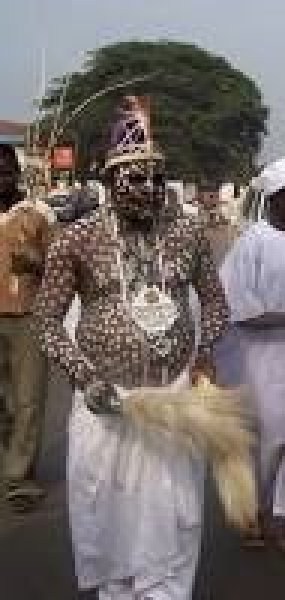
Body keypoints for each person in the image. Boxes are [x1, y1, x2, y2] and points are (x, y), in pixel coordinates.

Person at [33, 96, 229, 599]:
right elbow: (48, 322)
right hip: (108, 412)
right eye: (135, 179)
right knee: (112, 527)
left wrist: (205, 352)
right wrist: (85, 376)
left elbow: (216, 304)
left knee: (174, 528)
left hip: (175, 403)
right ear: (108, 184)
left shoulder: (187, 232)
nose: (148, 189)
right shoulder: (76, 240)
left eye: (156, 178)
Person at [218, 157, 285, 564]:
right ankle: (252, 513)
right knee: (265, 443)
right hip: (260, 360)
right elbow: (241, 310)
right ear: (281, 196)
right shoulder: (252, 241)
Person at [0, 143, 53, 512]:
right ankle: (13, 453)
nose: (1, 178)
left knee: (28, 400)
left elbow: (62, 266)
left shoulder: (37, 213)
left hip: (29, 316)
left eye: (5, 171)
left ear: (16, 173)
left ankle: (19, 478)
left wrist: (34, 261)